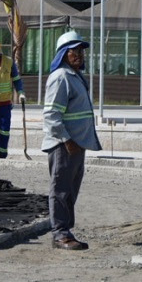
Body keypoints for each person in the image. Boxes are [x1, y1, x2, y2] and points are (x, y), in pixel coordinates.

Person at [41, 30, 101, 251]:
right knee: (60, 189)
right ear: (64, 54)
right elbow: (51, 115)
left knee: (70, 189)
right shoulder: (61, 77)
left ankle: (66, 230)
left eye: (81, 50)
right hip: (63, 145)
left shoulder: (74, 77)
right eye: (74, 50)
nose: (79, 54)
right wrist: (66, 140)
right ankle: (60, 234)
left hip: (76, 145)